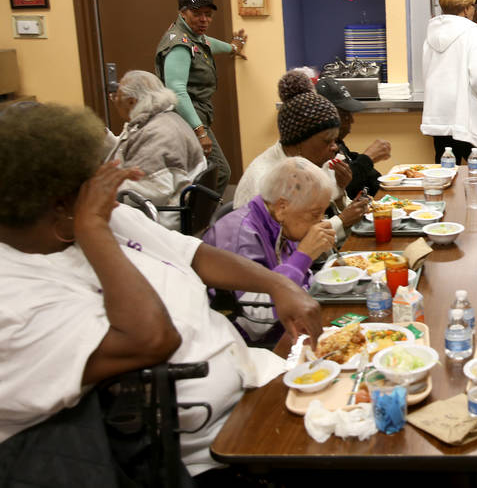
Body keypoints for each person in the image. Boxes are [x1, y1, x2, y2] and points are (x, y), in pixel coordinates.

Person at [0, 103, 322, 477]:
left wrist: (278, 283)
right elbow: (152, 339)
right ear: (61, 209)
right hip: (206, 452)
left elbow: (195, 254)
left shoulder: (106, 218)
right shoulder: (16, 295)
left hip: (253, 382)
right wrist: (94, 232)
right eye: (91, 187)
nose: (112, 192)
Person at [204, 157, 336, 340]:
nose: (321, 221)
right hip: (242, 342)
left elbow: (304, 284)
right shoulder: (240, 234)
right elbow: (255, 321)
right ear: (282, 207)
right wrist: (303, 256)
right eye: (315, 214)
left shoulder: (281, 221)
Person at [233, 71, 369, 247]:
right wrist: (341, 221)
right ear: (299, 141)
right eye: (327, 141)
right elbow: (283, 249)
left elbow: (325, 212)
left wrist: (341, 194)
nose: (335, 148)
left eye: (335, 140)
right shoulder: (265, 183)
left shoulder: (311, 160)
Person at [155, 0, 246, 194]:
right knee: (220, 171)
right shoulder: (179, 45)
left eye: (208, 14)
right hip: (186, 118)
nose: (204, 19)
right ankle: (199, 221)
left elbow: (206, 44)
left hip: (194, 116)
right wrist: (200, 131)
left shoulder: (191, 36)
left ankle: (195, 218)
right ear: (183, 13)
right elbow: (176, 90)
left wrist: (233, 48)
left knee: (198, 172)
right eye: (197, 13)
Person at [105, 70, 207, 230]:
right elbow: (131, 150)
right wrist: (105, 138)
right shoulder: (166, 119)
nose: (114, 101)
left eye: (116, 97)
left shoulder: (157, 133)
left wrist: (101, 190)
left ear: (132, 101)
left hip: (162, 221)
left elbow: (151, 190)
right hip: (176, 210)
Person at [421, 0, 477, 163]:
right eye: (474, 6)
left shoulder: (430, 34)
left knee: (447, 179)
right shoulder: (473, 32)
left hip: (440, 121)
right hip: (468, 121)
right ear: (466, 9)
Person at [315, 76, 390, 198]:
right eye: (344, 115)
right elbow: (342, 191)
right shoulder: (318, 154)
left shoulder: (338, 143)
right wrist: (368, 158)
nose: (351, 120)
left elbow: (355, 168)